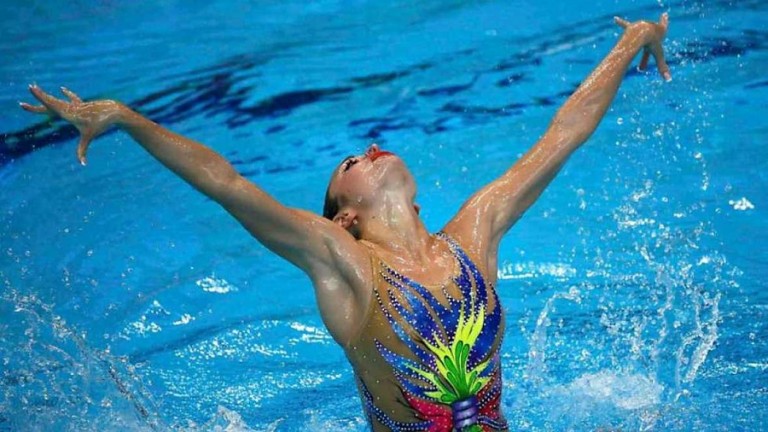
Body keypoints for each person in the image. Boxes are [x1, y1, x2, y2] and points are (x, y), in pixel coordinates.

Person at [20, 13, 670, 432]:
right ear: (347, 215)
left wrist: (631, 39)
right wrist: (129, 120)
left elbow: (562, 136)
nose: (370, 151)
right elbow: (227, 183)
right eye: (350, 163)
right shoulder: (347, 265)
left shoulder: (476, 232)